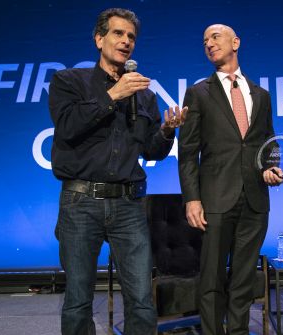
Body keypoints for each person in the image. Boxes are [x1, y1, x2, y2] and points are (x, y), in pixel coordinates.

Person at [49, 8, 187, 335]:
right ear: (99, 39)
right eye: (117, 34)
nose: (125, 41)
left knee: (141, 299)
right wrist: (113, 95)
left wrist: (167, 130)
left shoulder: (145, 95)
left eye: (131, 37)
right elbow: (67, 127)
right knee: (79, 299)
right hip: (81, 203)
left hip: (129, 206)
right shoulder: (69, 81)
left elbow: (152, 150)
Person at [178, 24, 283, 335]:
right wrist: (192, 199)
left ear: (235, 42)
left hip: (254, 200)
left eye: (215, 38)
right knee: (211, 280)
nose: (208, 44)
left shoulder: (261, 95)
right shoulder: (198, 93)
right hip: (215, 200)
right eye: (204, 41)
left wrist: (271, 168)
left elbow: (268, 141)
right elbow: (187, 153)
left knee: (243, 279)